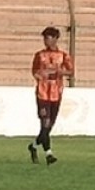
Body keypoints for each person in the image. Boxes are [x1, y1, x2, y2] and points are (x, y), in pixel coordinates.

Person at [28, 26, 74, 165]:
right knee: (45, 123)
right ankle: (49, 154)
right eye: (44, 38)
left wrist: (61, 72)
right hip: (42, 93)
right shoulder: (39, 55)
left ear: (55, 39)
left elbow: (71, 71)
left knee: (48, 126)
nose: (46, 41)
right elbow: (34, 71)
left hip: (56, 93)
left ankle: (34, 146)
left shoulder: (63, 55)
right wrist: (39, 76)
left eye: (48, 38)